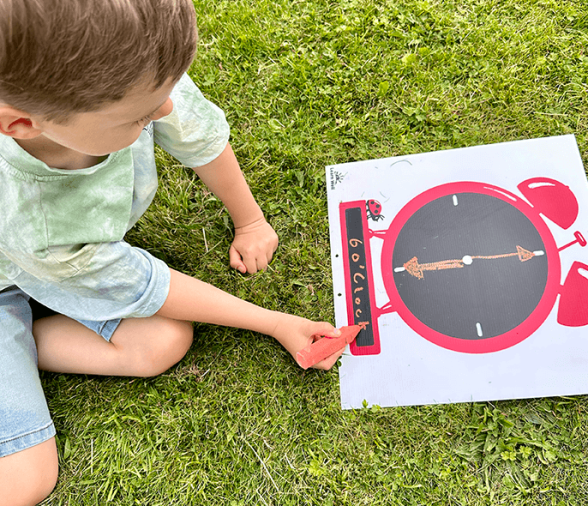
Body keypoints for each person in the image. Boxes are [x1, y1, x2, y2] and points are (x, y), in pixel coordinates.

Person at [0, 1, 343, 503]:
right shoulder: (34, 218)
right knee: (26, 480)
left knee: (163, 340)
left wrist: (250, 220)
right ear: (23, 124)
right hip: (17, 272)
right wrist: (273, 322)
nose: (164, 109)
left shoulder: (130, 75)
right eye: (139, 114)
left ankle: (25, 341)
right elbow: (146, 285)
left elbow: (196, 132)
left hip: (53, 269)